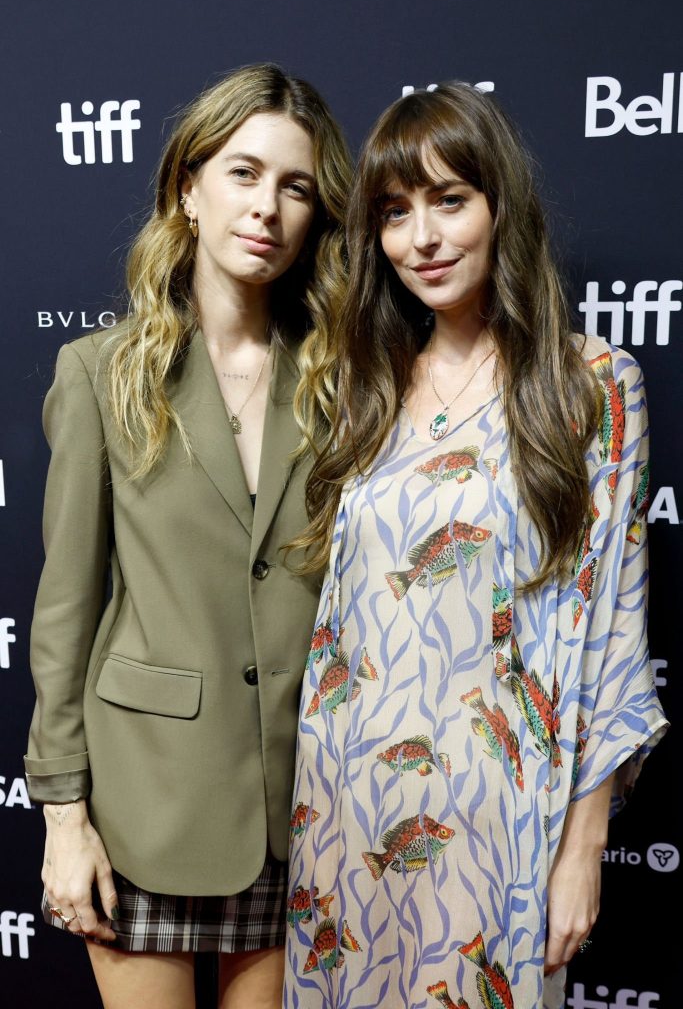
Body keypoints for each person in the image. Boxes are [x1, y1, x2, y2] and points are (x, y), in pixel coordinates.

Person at [283, 83, 668, 1009]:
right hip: (343, 815)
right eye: (394, 213)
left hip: (502, 826)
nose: (422, 238)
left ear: (501, 204)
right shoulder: (360, 389)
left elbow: (613, 636)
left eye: (449, 200)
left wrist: (580, 854)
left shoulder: (590, 386)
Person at [24, 63, 351, 1009]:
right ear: (188, 189)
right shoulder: (100, 374)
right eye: (243, 174)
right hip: (145, 806)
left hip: (305, 809)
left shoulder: (344, 382)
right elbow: (66, 610)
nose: (268, 209)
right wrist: (63, 821)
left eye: (295, 187)